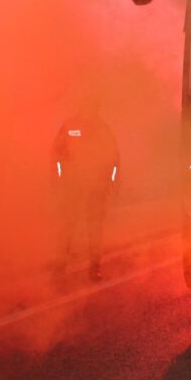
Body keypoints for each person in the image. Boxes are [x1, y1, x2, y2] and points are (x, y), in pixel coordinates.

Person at [51, 94, 119, 282]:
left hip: (96, 188)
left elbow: (114, 159)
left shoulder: (103, 129)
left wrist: (111, 182)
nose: (90, 110)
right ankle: (60, 268)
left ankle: (94, 268)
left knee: (94, 230)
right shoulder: (71, 126)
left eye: (93, 106)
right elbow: (57, 154)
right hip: (73, 186)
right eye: (87, 105)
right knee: (67, 227)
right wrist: (59, 179)